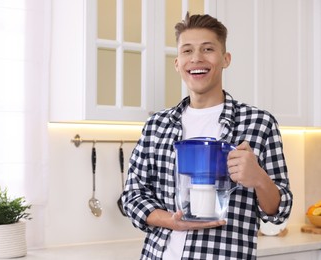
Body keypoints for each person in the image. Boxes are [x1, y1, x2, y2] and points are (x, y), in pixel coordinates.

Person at [121, 12, 292, 259]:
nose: (197, 58)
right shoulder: (156, 125)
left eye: (208, 49)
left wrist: (258, 178)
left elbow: (278, 211)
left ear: (225, 59)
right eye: (187, 51)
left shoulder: (258, 123)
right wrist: (172, 221)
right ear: (177, 62)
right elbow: (132, 196)